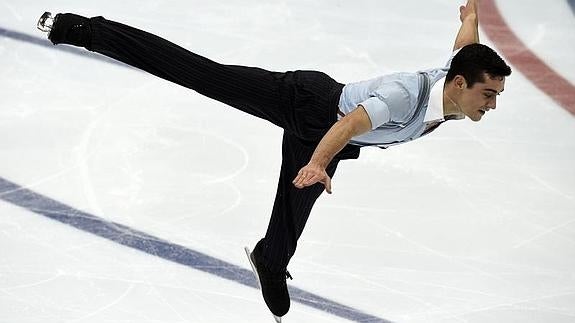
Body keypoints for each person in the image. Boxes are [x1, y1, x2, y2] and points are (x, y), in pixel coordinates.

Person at [36, 0, 511, 320]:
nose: (491, 105)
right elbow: (346, 127)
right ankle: (82, 30)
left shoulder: (456, 83)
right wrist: (319, 163)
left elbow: (466, 42)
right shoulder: (406, 96)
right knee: (202, 74)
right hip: (307, 104)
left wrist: (470, 13)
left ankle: (270, 256)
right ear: (459, 85)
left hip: (332, 129)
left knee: (294, 213)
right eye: (488, 94)